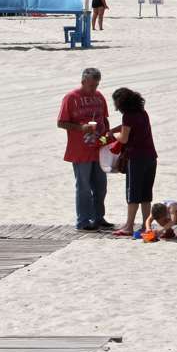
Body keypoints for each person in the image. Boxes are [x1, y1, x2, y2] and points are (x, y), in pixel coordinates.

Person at [57, 68, 112, 231]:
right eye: (91, 86)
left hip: (99, 148)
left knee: (101, 186)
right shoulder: (71, 98)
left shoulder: (99, 96)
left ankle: (98, 218)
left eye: (96, 85)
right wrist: (81, 128)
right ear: (83, 82)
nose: (94, 89)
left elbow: (105, 119)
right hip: (80, 150)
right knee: (84, 187)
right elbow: (61, 123)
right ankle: (83, 221)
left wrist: (107, 137)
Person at [110, 88, 157, 237]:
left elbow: (123, 138)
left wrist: (112, 137)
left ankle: (129, 226)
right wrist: (113, 130)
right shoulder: (143, 113)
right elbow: (129, 127)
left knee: (133, 194)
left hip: (136, 158)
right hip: (150, 157)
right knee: (145, 194)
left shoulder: (128, 116)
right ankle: (145, 225)